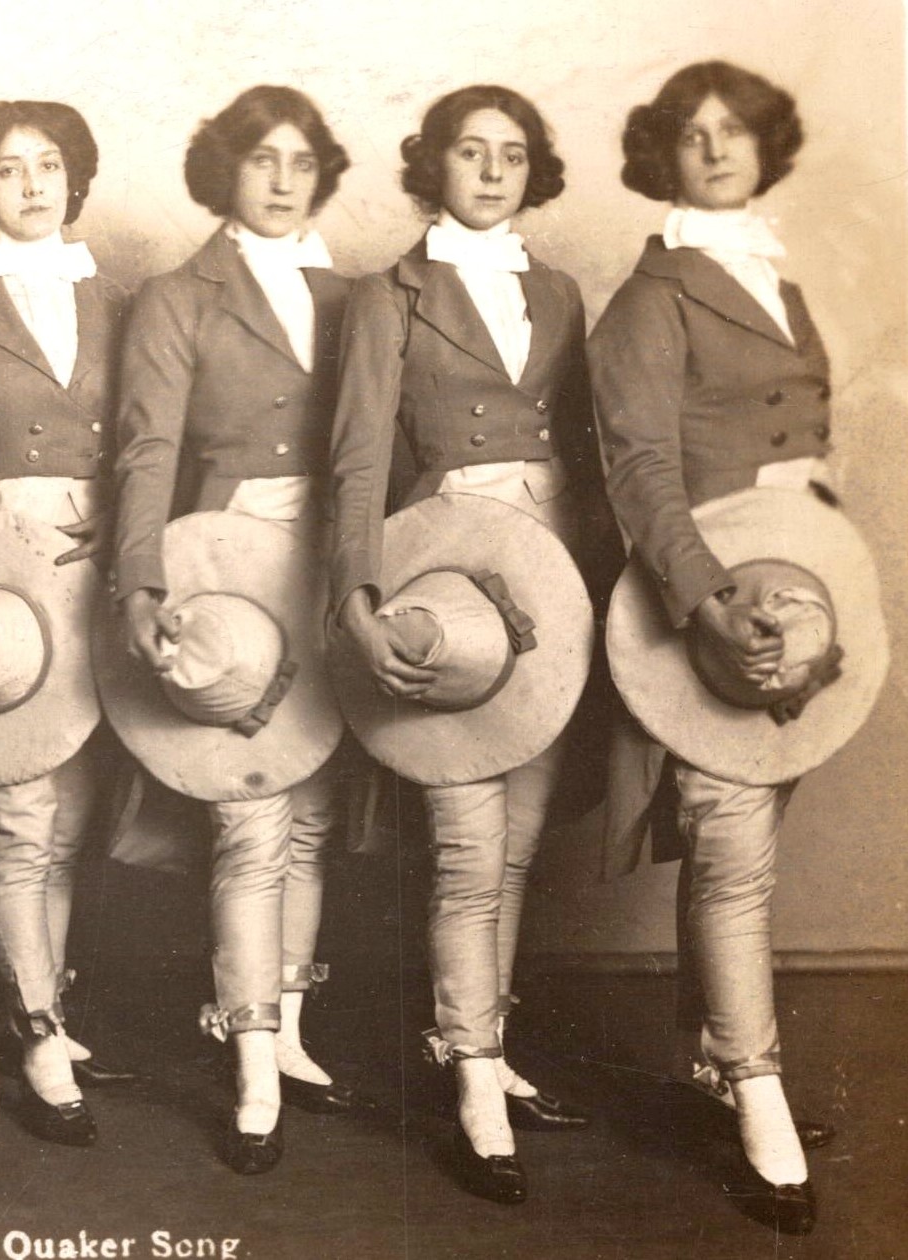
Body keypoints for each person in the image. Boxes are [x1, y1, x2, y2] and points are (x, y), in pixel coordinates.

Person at [330, 85, 616, 1202]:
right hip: (447, 579)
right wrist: (357, 596)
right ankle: (472, 1079)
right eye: (470, 152)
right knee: (464, 849)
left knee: (517, 847)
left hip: (551, 586)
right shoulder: (386, 295)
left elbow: (586, 451)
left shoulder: (559, 290)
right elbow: (359, 457)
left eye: (512, 155)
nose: (493, 172)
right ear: (432, 166)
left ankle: (484, 1045)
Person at [588, 61, 848, 1235]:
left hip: (796, 586)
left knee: (747, 836)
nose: (715, 147)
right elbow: (640, 471)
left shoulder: (771, 275)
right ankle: (757, 1093)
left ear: (763, 144)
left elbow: (808, 441)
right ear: (663, 155)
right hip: (708, 601)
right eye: (691, 133)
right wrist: (706, 607)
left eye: (734, 129)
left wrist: (828, 582)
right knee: (732, 850)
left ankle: (709, 1059)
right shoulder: (651, 298)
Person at [113, 85, 360, 1173]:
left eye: (302, 161)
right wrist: (139, 581)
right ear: (226, 170)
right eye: (262, 159)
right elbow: (146, 450)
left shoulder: (354, 296)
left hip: (329, 568)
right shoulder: (179, 296)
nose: (283, 180)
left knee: (312, 818)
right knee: (251, 820)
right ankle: (251, 1060)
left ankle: (291, 1032)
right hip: (226, 569)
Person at [0, 99, 135, 1148]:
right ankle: (38, 1033)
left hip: (104, 568)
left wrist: (125, 515)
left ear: (73, 177)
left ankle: (43, 1002)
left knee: (75, 810)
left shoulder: (120, 299)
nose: (31, 185)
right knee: (18, 810)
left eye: (48, 164)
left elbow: (151, 435)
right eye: (8, 169)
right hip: (5, 572)